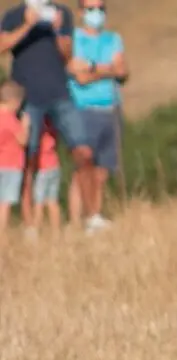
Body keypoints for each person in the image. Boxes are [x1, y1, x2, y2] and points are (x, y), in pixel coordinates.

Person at [0, 2, 108, 235]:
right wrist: (27, 24)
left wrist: (58, 31)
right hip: (28, 95)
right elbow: (2, 45)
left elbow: (67, 54)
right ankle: (30, 226)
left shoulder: (62, 13)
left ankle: (92, 216)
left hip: (60, 93)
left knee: (83, 151)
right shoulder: (13, 15)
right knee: (28, 159)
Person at [65, 0, 127, 231]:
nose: (97, 13)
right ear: (81, 12)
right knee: (83, 165)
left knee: (102, 171)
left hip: (111, 108)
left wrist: (91, 67)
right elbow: (78, 77)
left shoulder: (113, 39)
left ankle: (95, 217)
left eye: (101, 8)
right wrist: (106, 68)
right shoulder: (74, 39)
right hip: (83, 108)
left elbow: (122, 70)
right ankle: (75, 219)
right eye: (91, 9)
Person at [0, 80, 29, 239]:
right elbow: (22, 140)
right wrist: (25, 125)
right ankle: (2, 233)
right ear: (15, 102)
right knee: (5, 203)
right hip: (11, 166)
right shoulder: (11, 120)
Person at [29, 120, 61, 236]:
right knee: (52, 200)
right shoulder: (52, 130)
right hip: (54, 165)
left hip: (42, 168)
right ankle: (56, 230)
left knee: (39, 201)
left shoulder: (38, 133)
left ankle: (35, 229)